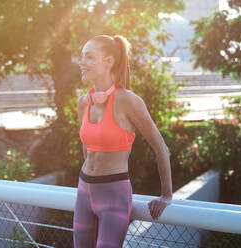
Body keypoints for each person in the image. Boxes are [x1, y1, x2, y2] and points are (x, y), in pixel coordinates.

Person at [73, 34, 173, 248]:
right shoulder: (83, 103)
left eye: (89, 57)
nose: (82, 62)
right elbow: (87, 150)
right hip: (83, 191)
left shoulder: (128, 100)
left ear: (108, 61)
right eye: (82, 57)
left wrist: (166, 195)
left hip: (114, 194)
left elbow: (161, 148)